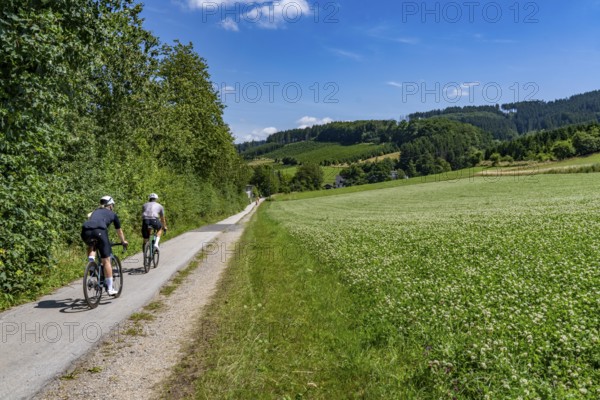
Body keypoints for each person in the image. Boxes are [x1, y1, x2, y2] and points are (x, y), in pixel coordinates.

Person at [81, 195, 128, 296]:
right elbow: (119, 231)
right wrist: (123, 241)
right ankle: (110, 288)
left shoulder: (94, 211)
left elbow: (90, 219)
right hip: (100, 231)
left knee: (92, 243)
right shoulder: (113, 214)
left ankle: (91, 263)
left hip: (85, 230)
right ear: (110, 205)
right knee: (106, 260)